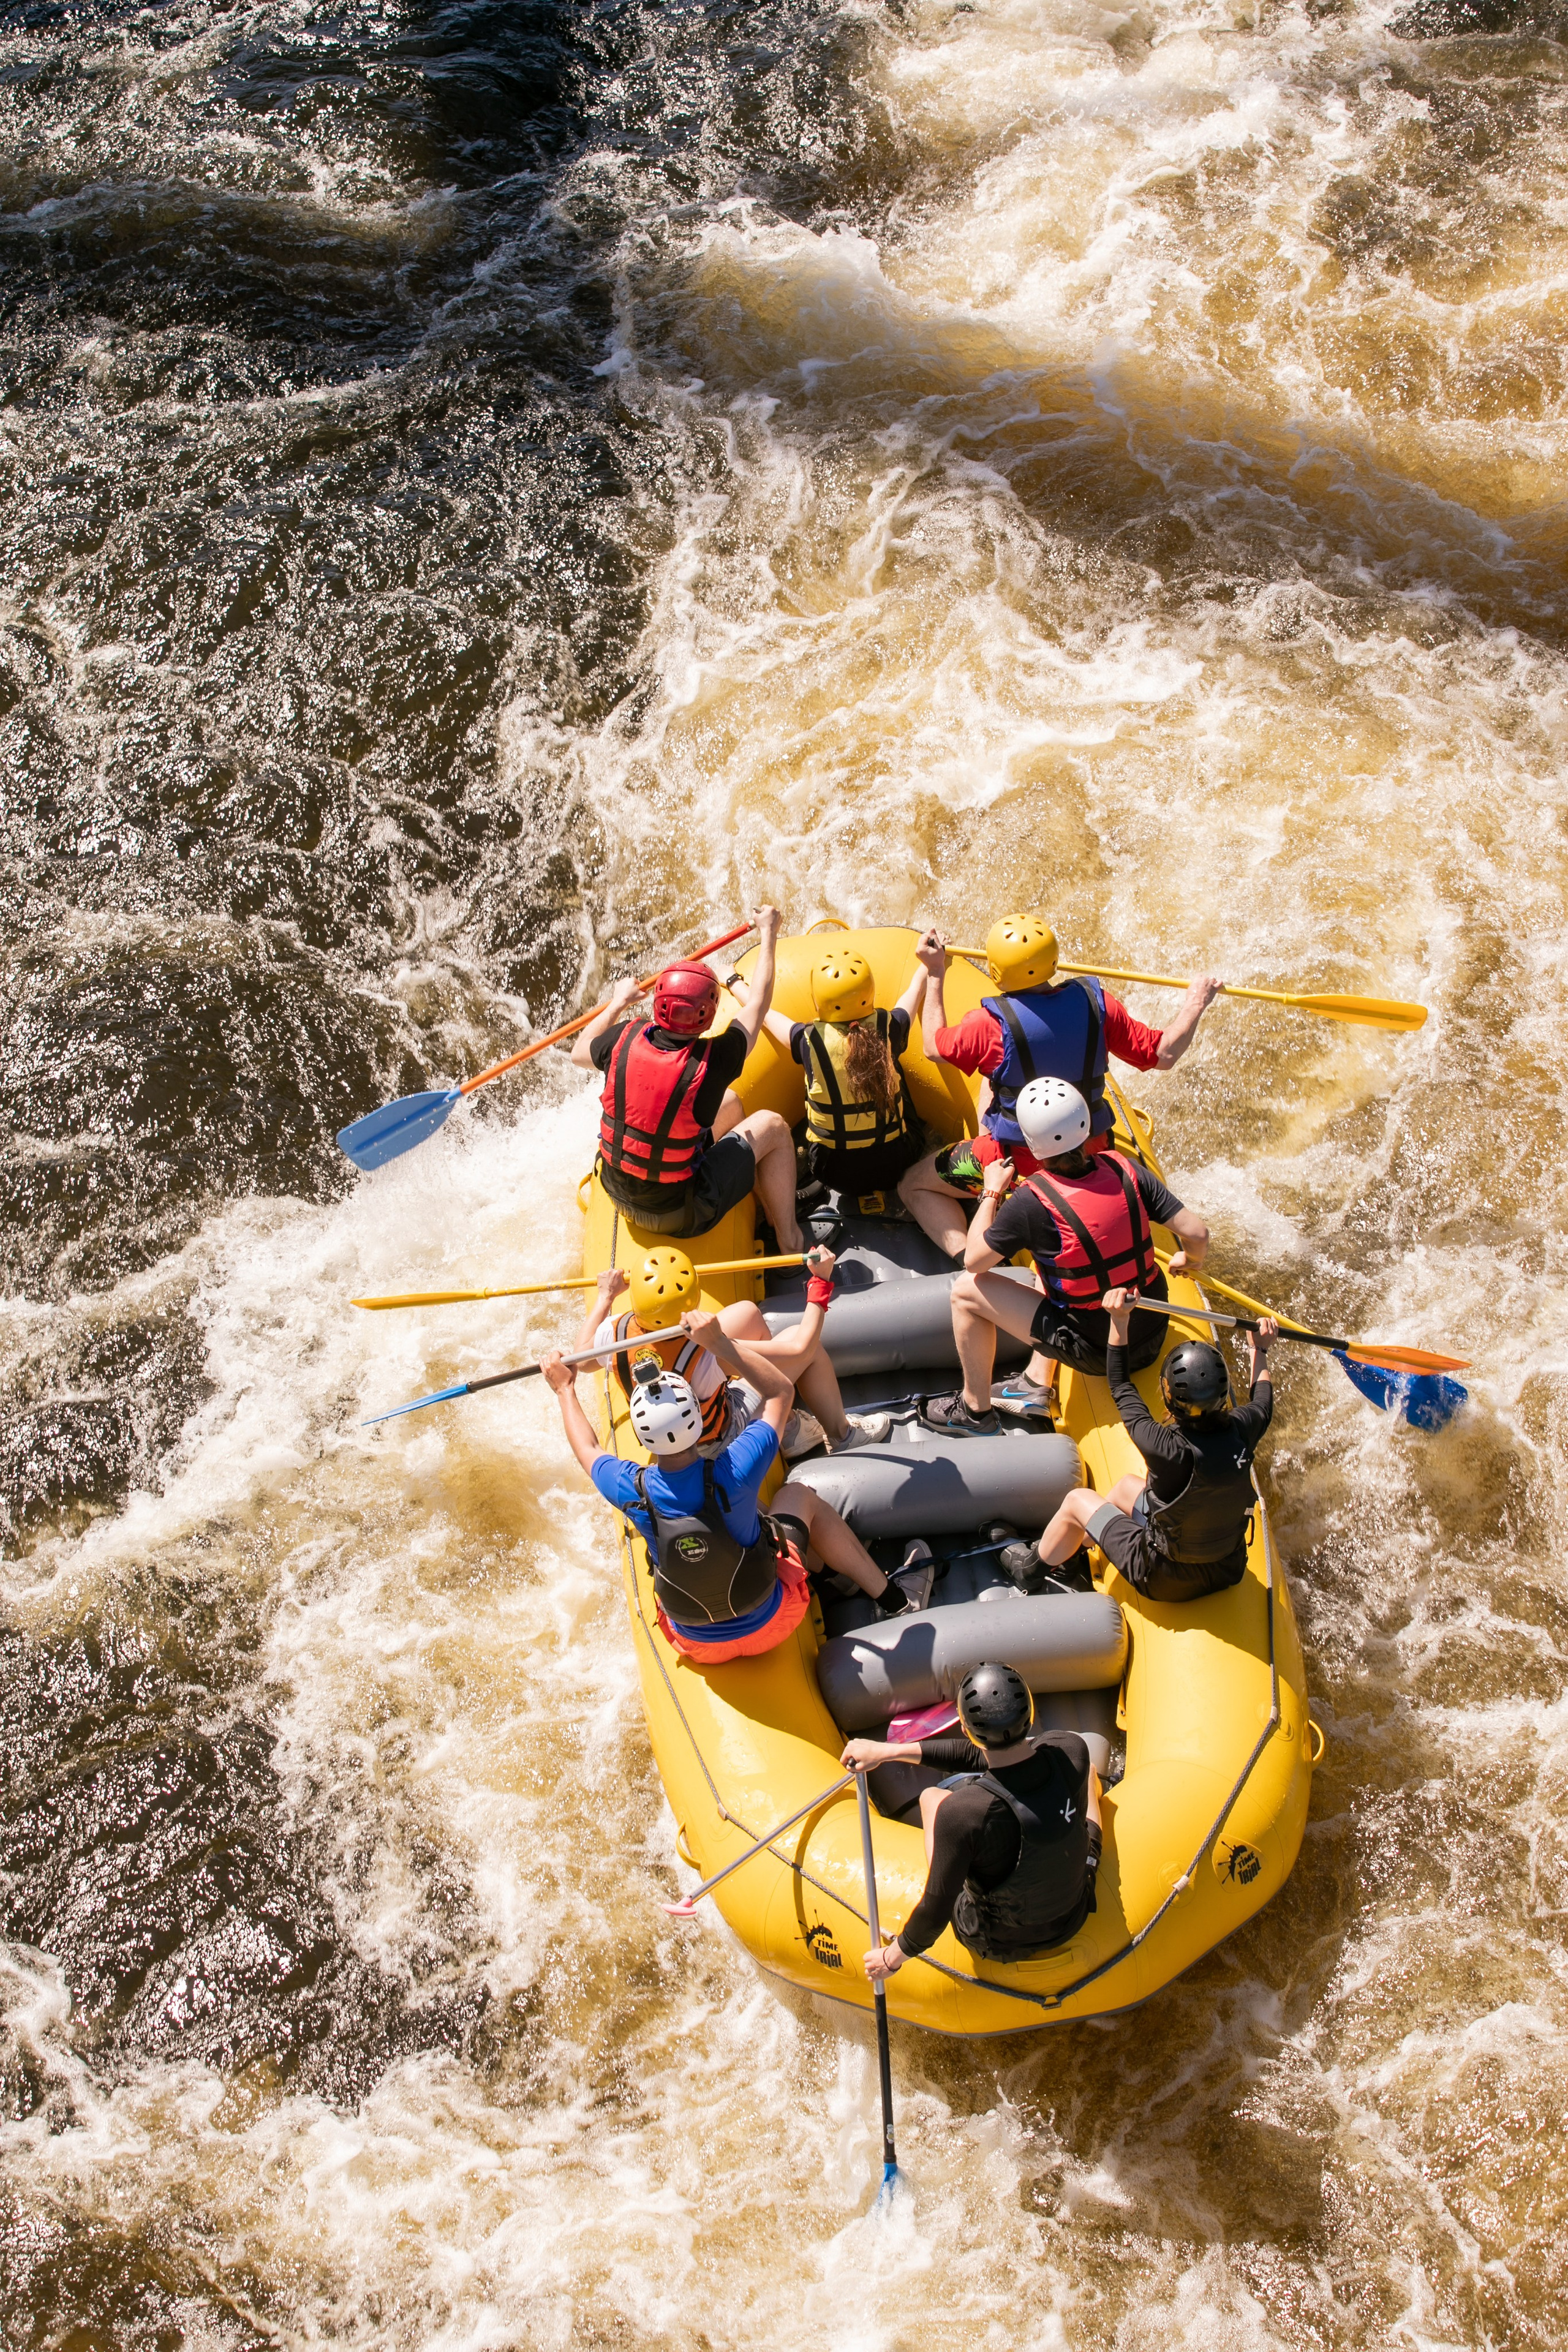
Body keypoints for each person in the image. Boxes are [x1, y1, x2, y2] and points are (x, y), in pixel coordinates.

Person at [540, 1316, 932, 1668]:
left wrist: (565, 1391)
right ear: (696, 1415)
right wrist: (721, 1344)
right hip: (773, 1620)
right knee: (798, 1496)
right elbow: (780, 1392)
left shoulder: (630, 1486)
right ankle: (895, 1600)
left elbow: (588, 1449)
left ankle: (834, 1574)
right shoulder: (736, 1467)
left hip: (694, 1644)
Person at [898, 919, 1222, 1259]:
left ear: (995, 971)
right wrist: (1196, 1002)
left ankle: (972, 1257)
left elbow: (934, 1047)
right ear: (1053, 961)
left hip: (1015, 1162)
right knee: (990, 1081)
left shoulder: (988, 1026)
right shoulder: (1099, 1006)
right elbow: (1164, 1054)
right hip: (1092, 1150)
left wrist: (935, 971)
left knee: (912, 1184)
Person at [923, 1077, 1209, 1438]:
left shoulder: (1032, 1200)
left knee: (965, 1292)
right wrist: (1190, 1259)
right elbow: (1197, 1234)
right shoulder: (1126, 1169)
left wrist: (992, 1191)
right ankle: (1034, 1380)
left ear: (1031, 1142)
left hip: (1097, 1351)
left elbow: (975, 1261)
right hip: (1153, 1331)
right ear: (1086, 1123)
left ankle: (974, 1411)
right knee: (1056, 1264)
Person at [1000, 1287, 1278, 1602]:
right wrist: (1260, 1349)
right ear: (1223, 1394)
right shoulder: (1245, 1427)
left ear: (1170, 1398)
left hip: (1162, 1576)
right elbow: (1263, 1398)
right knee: (1125, 1489)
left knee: (1078, 1500)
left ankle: (1031, 1569)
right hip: (1226, 1569)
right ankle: (1077, 1550)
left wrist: (1119, 1320)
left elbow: (1118, 1382)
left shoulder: (1164, 1445)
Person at [840, 1664, 1102, 1973]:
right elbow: (988, 1755)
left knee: (931, 1798)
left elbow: (934, 1911)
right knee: (1090, 1777)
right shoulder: (1071, 1750)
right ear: (1030, 1717)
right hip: (1073, 1916)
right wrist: (888, 1752)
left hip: (998, 1939)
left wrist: (891, 1959)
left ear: (966, 1730)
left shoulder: (963, 1814)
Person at [573, 905, 803, 1248]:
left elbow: (579, 1053)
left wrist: (618, 1002)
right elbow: (759, 1001)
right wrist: (769, 931)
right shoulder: (715, 1061)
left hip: (617, 1192)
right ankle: (790, 1242)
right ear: (708, 1018)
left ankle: (759, 1190)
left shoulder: (624, 1036)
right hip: (680, 1212)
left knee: (730, 1103)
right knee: (773, 1125)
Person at [576, 1242, 891, 1457]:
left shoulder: (616, 1332)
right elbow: (801, 1348)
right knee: (805, 1344)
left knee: (746, 1314)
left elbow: (581, 1362)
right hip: (718, 1439)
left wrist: (605, 1298)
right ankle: (842, 1434)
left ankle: (790, 1427)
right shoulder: (706, 1352)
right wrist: (820, 1281)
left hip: (677, 1422)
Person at [730, 947, 928, 1206]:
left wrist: (733, 982)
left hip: (834, 1174)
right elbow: (914, 992)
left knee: (816, 1072)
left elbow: (765, 1015)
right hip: (897, 1166)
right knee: (893, 1063)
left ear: (817, 1002)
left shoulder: (808, 1040)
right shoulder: (891, 1026)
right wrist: (929, 964)